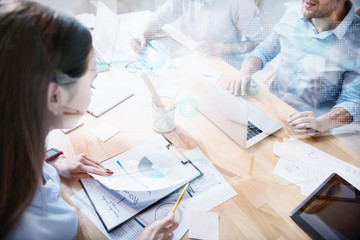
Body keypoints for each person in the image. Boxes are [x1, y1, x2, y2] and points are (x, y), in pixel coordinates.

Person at [0, 1, 178, 239]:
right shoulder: (23, 226)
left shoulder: (16, 141)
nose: (93, 92)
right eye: (91, 82)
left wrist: (50, 163)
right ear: (54, 96)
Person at [228, 0, 360, 135]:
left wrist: (321, 123)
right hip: (269, 109)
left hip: (308, 132)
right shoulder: (294, 13)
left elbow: (353, 101)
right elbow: (264, 51)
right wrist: (244, 71)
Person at [132, 0, 265, 57]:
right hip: (196, 59)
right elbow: (160, 17)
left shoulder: (239, 3)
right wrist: (142, 34)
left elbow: (257, 43)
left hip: (226, 68)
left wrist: (218, 48)